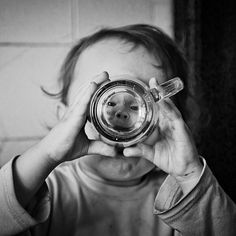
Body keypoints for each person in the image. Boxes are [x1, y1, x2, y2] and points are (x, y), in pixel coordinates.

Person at [0, 24, 235, 236]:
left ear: (173, 120)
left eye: (137, 104)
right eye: (105, 100)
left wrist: (189, 175)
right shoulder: (44, 189)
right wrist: (47, 154)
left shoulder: (182, 198)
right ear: (66, 117)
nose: (121, 118)